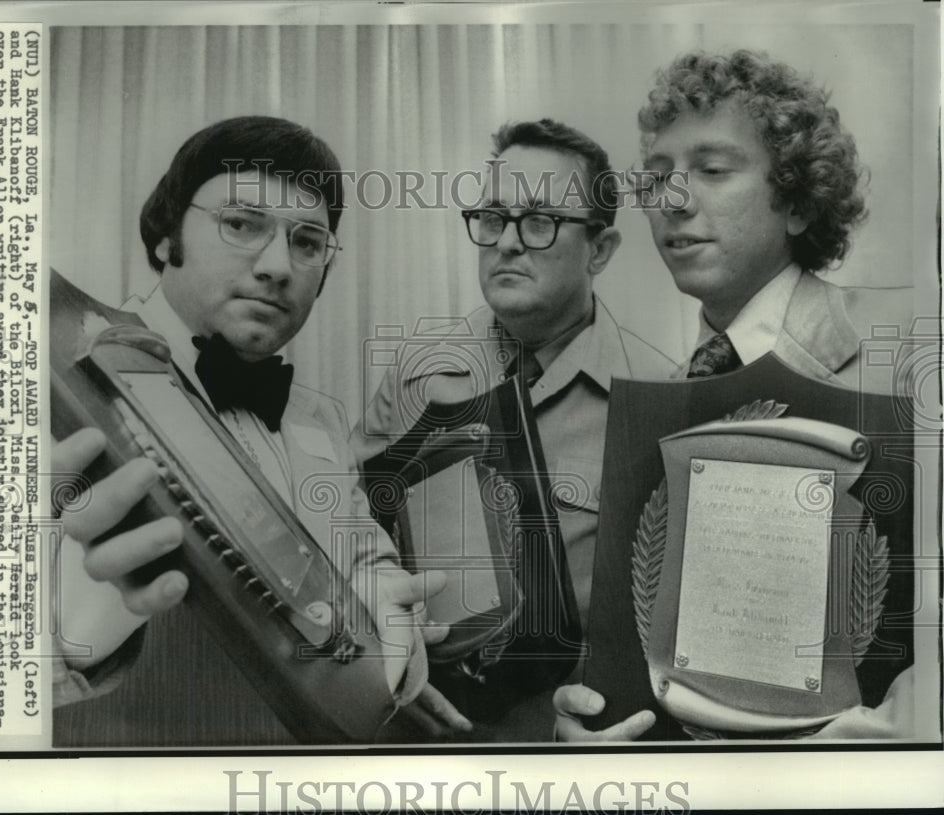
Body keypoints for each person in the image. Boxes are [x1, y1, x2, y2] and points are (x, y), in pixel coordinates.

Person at [51, 116, 469, 745]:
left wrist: (385, 612)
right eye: (242, 224)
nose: (278, 266)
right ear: (167, 234)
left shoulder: (320, 417)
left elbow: (364, 555)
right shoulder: (49, 377)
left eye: (307, 241)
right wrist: (79, 617)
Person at [554, 49, 916, 741]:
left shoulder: (907, 363)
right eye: (656, 177)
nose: (673, 199)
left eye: (713, 170)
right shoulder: (660, 405)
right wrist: (584, 715)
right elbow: (640, 635)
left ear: (800, 202)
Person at [351, 119, 675, 741]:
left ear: (600, 250)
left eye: (539, 221)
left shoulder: (658, 398)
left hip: (554, 751)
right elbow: (354, 534)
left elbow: (661, 624)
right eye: (494, 218)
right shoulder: (417, 370)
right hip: (408, 728)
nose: (506, 243)